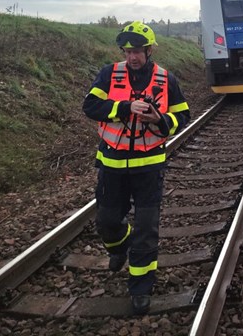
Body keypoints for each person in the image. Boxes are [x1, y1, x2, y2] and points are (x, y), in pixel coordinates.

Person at [82, 21, 190, 315]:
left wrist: (160, 120)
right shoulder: (109, 74)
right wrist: (124, 108)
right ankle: (119, 246)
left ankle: (141, 288)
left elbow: (183, 116)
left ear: (149, 50)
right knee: (106, 222)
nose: (132, 56)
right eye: (128, 51)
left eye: (138, 51)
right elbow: (90, 106)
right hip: (112, 166)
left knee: (146, 229)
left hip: (149, 169)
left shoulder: (166, 79)